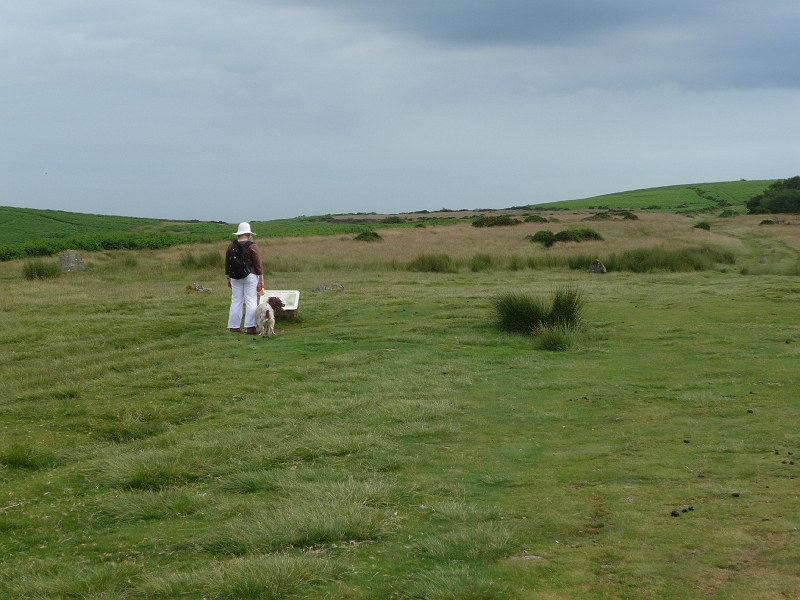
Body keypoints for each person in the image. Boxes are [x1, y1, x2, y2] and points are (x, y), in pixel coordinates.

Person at [225, 222, 264, 334]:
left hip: (234, 277)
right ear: (248, 233)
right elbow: (258, 264)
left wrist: (228, 278)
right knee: (251, 300)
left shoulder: (231, 246)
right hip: (250, 276)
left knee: (236, 300)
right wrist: (261, 279)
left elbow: (227, 263)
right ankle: (250, 326)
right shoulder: (252, 246)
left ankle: (234, 326)